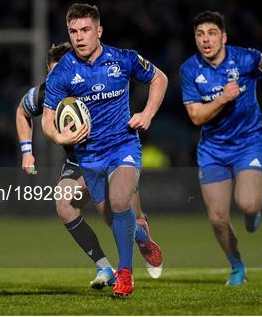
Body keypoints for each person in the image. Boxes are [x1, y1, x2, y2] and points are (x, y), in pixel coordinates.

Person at [41, 3, 168, 297]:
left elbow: (159, 78)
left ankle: (125, 275)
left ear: (99, 31)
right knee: (115, 221)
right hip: (89, 156)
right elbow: (48, 120)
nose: (79, 37)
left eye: (85, 30)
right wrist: (59, 137)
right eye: (73, 31)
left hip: (123, 145)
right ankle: (143, 237)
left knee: (121, 200)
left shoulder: (123, 59)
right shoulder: (61, 73)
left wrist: (147, 113)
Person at [16, 42, 164, 290]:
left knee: (124, 213)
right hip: (79, 160)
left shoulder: (96, 82)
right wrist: (27, 153)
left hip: (113, 152)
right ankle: (106, 266)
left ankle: (141, 241)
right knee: (65, 204)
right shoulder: (49, 92)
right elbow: (22, 111)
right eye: (53, 74)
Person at [180, 11, 262, 286]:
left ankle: (252, 211)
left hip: (248, 143)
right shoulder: (189, 69)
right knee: (217, 217)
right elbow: (196, 117)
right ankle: (236, 266)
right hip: (212, 149)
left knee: (247, 202)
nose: (205, 40)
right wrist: (223, 98)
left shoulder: (247, 58)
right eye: (200, 35)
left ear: (223, 36)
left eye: (211, 33)